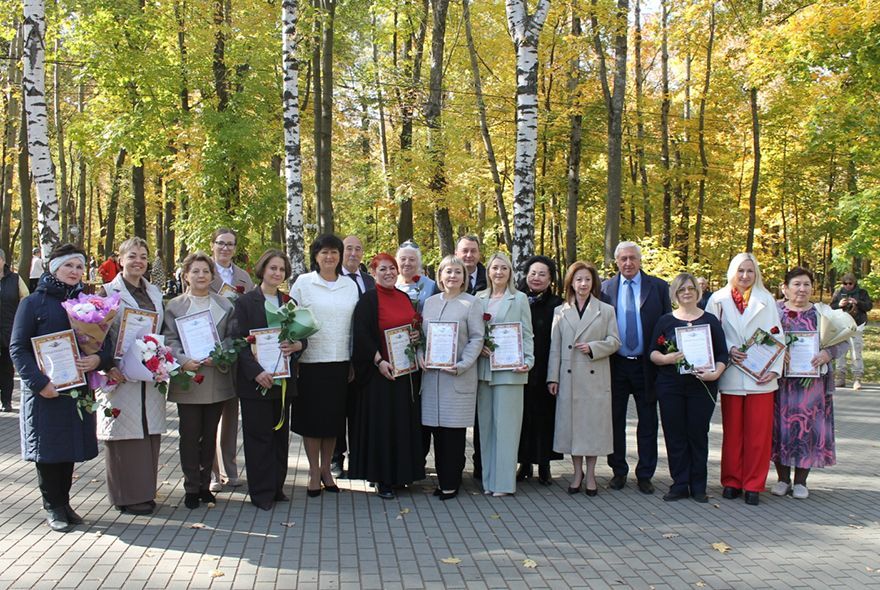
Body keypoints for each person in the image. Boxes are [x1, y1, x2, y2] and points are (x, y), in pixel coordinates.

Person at [11, 243, 113, 532]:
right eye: (68, 265)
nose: (74, 271)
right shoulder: (33, 303)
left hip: (76, 389)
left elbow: (104, 344)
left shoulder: (90, 304)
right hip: (46, 391)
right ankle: (52, 506)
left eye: (79, 266)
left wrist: (97, 359)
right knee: (48, 450)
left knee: (68, 448)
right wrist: (39, 383)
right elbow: (18, 348)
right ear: (54, 268)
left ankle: (64, 503)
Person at [705, 253, 784, 506]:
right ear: (732, 272)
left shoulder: (766, 299)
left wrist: (776, 369)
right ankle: (731, 481)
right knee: (733, 433)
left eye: (750, 271)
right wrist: (728, 350)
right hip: (731, 373)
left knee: (758, 435)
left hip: (761, 377)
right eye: (740, 270)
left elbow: (777, 335)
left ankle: (753, 484)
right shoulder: (717, 299)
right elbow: (710, 332)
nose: (745, 276)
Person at [98, 237, 166, 515]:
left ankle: (145, 492)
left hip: (149, 374)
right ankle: (125, 496)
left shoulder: (155, 293)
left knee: (148, 432)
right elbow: (96, 335)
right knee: (124, 434)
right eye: (132, 256)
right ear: (121, 259)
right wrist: (107, 365)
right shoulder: (107, 292)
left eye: (143, 257)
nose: (138, 261)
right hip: (119, 375)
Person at [164, 252, 237, 510]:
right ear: (186, 275)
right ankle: (191, 487)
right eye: (195, 271)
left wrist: (220, 355)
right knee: (189, 435)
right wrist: (183, 360)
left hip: (215, 377)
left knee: (209, 435)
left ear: (212, 275)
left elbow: (232, 338)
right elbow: (169, 340)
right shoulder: (174, 306)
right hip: (189, 378)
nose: (201, 275)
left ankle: (205, 486)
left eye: (206, 271)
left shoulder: (225, 305)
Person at [233, 249, 305, 509]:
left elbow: (302, 336)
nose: (277, 273)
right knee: (258, 438)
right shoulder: (245, 302)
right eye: (273, 268)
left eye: (282, 269)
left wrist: (297, 346)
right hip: (256, 382)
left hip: (282, 381)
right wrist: (256, 373)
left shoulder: (289, 302)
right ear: (262, 269)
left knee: (279, 437)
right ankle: (261, 493)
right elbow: (239, 342)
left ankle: (277, 487)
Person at [349, 254, 425, 499]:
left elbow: (413, 327)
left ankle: (402, 475)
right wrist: (379, 361)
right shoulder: (368, 300)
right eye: (383, 269)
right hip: (380, 375)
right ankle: (383, 479)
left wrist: (415, 336)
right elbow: (361, 335)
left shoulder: (404, 297)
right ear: (373, 273)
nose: (389, 272)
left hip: (405, 374)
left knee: (402, 425)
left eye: (392, 268)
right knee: (383, 427)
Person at [649, 273, 728, 503]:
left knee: (698, 435)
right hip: (670, 386)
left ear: (698, 291)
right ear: (674, 294)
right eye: (681, 289)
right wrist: (667, 359)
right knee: (675, 436)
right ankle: (679, 484)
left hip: (702, 387)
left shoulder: (710, 320)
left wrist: (716, 373)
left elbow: (722, 354)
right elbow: (652, 352)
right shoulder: (665, 321)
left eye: (690, 288)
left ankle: (699, 486)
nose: (686, 293)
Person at [290, 234, 359, 497]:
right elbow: (291, 321)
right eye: (324, 252)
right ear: (315, 256)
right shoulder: (304, 283)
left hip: (340, 361)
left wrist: (353, 359)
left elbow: (354, 325)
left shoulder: (349, 285)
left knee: (333, 421)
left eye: (334, 252)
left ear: (340, 256)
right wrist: (295, 356)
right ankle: (313, 471)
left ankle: (327, 471)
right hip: (310, 362)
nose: (329, 257)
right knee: (312, 420)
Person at [600, 241, 671, 494]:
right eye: (623, 259)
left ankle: (645, 474)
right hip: (616, 364)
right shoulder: (605, 288)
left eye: (632, 258)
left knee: (648, 421)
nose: (628, 263)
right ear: (616, 262)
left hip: (646, 365)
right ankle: (618, 471)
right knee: (615, 420)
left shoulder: (658, 287)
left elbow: (667, 324)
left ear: (640, 260)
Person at [771, 267, 848, 500]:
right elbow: (762, 338)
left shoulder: (822, 314)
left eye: (806, 284)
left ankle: (801, 481)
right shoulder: (774, 312)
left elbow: (844, 339)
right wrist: (776, 351)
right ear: (785, 288)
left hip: (812, 385)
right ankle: (782, 479)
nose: (802, 289)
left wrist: (828, 353)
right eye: (796, 284)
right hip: (781, 383)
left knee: (808, 428)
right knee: (781, 428)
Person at [548, 261, 620, 496]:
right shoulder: (560, 311)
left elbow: (615, 342)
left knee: (592, 428)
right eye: (578, 279)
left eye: (587, 279)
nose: (583, 284)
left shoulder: (606, 310)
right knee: (573, 429)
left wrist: (593, 347)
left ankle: (591, 474)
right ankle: (576, 473)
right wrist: (552, 378)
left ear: (593, 282)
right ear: (571, 283)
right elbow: (555, 348)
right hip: (568, 378)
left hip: (594, 377)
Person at [420, 255, 484, 500]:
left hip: (457, 377)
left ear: (464, 277)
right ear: (440, 275)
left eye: (458, 272)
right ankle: (442, 480)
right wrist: (419, 356)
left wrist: (462, 364)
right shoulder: (430, 303)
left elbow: (477, 338)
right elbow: (421, 337)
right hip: (432, 379)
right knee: (437, 433)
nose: (453, 276)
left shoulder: (472, 303)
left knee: (453, 435)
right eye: (448, 271)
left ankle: (451, 483)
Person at [475, 252, 534, 496]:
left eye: (504, 268)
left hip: (510, 371)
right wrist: (479, 347)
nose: (499, 272)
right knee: (486, 428)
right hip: (484, 371)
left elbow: (527, 333)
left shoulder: (519, 299)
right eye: (495, 268)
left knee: (507, 429)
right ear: (488, 271)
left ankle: (504, 484)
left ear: (510, 273)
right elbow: (473, 332)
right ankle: (489, 482)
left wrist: (528, 360)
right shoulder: (478, 298)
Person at [209, 227, 255, 492]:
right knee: (210, 415)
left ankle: (230, 468)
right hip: (210, 350)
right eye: (221, 243)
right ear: (213, 245)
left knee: (230, 414)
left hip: (236, 350)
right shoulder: (203, 270)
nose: (225, 248)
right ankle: (212, 472)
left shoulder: (243, 277)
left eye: (230, 244)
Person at [516, 255, 563, 485]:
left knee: (545, 418)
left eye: (542, 274)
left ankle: (544, 465)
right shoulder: (517, 300)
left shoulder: (558, 305)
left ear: (550, 278)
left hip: (546, 369)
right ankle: (524, 463)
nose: (536, 278)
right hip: (520, 367)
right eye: (533, 273)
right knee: (523, 417)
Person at [331, 234, 376, 477]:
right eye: (349, 248)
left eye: (358, 249)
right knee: (338, 408)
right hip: (339, 353)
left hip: (366, 358)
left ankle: (359, 459)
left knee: (361, 411)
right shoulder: (333, 280)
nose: (353, 253)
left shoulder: (370, 281)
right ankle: (336, 458)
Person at [455, 235, 486, 478]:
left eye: (473, 251)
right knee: (456, 418)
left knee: (481, 417)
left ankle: (481, 465)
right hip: (455, 363)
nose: (468, 255)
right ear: (457, 253)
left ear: (479, 254)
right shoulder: (445, 279)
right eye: (464, 250)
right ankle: (455, 465)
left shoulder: (491, 278)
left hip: (484, 362)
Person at [831, 273, 872, 391]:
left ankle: (857, 378)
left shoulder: (862, 292)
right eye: (845, 283)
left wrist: (857, 302)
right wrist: (839, 304)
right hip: (841, 325)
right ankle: (840, 378)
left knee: (856, 352)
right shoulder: (838, 292)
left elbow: (869, 306)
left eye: (850, 283)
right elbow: (831, 307)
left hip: (857, 325)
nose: (848, 286)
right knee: (840, 353)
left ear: (854, 283)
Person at [1, 248, 29, 412]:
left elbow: (25, 299)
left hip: (8, 329)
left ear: (3, 261)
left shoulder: (15, 279)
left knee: (6, 368)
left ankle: (6, 401)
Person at [395, 240, 438, 313]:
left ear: (418, 262)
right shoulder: (391, 284)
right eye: (403, 259)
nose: (407, 263)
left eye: (412, 260)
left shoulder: (432, 286)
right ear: (397, 261)